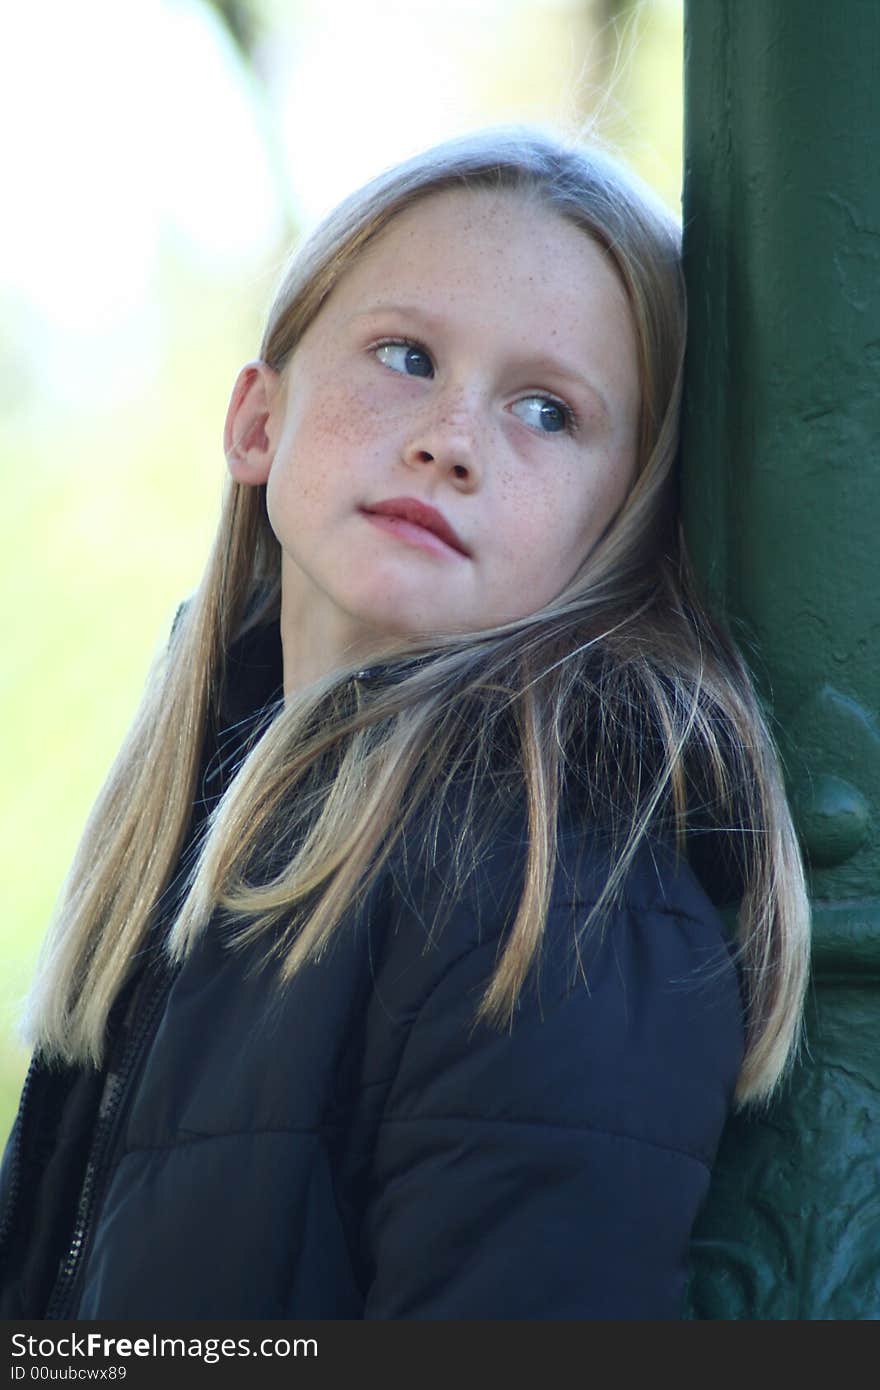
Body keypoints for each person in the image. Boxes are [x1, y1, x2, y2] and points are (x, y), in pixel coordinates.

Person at [0, 127, 810, 1320]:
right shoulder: (196, 830)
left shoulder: (555, 902)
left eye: (546, 411)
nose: (451, 440)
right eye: (404, 354)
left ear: (623, 520)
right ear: (256, 421)